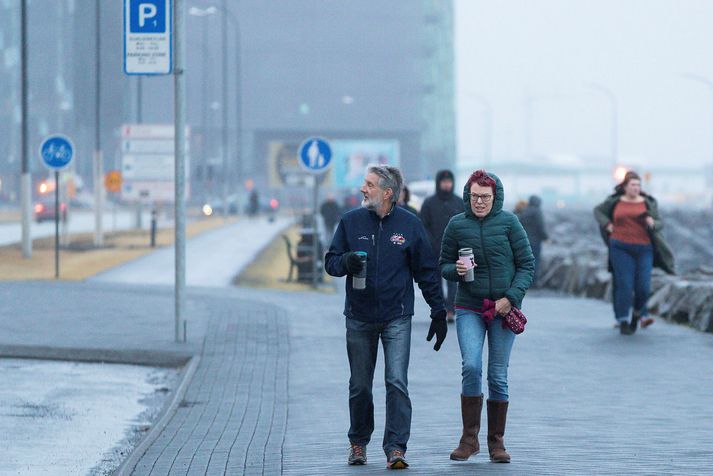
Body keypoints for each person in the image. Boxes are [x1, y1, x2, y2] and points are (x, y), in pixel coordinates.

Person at [324, 165, 447, 470]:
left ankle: (396, 448)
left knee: (396, 382)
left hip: (397, 316)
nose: (363, 189)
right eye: (364, 183)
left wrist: (438, 311)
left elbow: (426, 272)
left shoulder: (409, 224)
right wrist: (346, 262)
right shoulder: (350, 222)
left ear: (388, 193)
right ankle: (358, 443)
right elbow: (330, 262)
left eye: (369, 185)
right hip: (359, 316)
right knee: (360, 385)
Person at [440, 170, 535, 464]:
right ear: (468, 196)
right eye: (475, 196)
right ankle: (469, 440)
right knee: (470, 366)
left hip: (503, 308)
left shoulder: (510, 223)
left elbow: (527, 266)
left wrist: (510, 298)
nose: (479, 202)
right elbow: (442, 264)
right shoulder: (456, 225)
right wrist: (453, 270)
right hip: (469, 305)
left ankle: (496, 442)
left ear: (496, 198)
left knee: (497, 374)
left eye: (486, 197)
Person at [593, 171, 674, 335]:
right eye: (633, 185)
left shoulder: (648, 202)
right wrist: (607, 224)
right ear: (625, 187)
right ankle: (623, 319)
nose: (636, 188)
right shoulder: (614, 201)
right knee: (625, 285)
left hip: (644, 248)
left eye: (638, 185)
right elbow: (598, 211)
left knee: (643, 287)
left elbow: (660, 222)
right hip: (620, 247)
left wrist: (653, 222)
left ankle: (638, 315)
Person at [420, 169, 464, 323]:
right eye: (444, 182)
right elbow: (423, 225)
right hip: (434, 249)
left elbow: (465, 224)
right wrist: (430, 242)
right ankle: (441, 308)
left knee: (453, 280)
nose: (447, 185)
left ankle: (451, 309)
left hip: (455, 250)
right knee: (436, 282)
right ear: (438, 183)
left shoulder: (459, 202)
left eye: (449, 182)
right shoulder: (429, 203)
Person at [515, 195, 549, 284]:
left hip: (523, 241)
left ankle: (523, 281)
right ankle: (533, 282)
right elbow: (540, 227)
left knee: (525, 262)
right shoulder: (537, 212)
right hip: (535, 242)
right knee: (535, 261)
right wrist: (546, 238)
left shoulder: (524, 211)